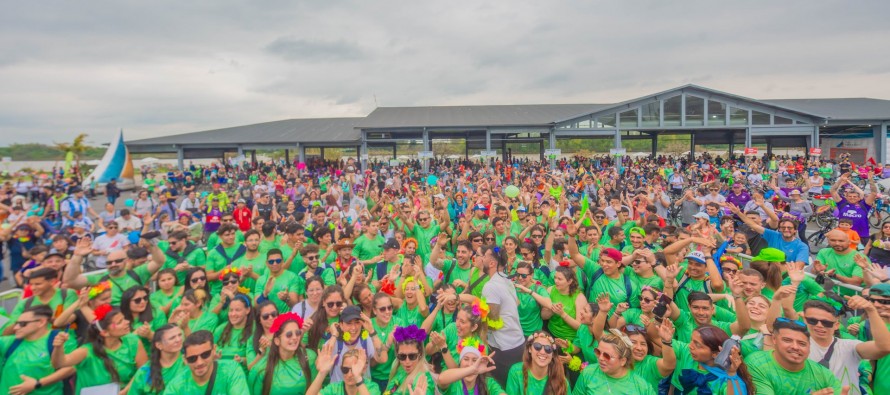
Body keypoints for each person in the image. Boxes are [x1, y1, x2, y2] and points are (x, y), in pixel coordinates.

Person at [51, 304, 148, 394]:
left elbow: (144, 369)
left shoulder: (132, 341)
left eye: (124, 319)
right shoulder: (87, 351)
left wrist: (125, 391)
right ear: (105, 333)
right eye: (120, 322)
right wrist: (58, 347)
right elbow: (59, 363)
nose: (127, 322)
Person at [746, 318, 843, 394]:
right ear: (774, 339)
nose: (795, 347)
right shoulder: (757, 363)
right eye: (787, 340)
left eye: (802, 343)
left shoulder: (823, 374)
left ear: (809, 346)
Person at [0, 305, 76, 395]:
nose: (15, 328)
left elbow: (71, 368)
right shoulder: (10, 341)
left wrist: (38, 383)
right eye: (16, 323)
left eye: (22, 324)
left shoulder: (59, 339)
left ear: (41, 322)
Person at [478, 245, 524, 385]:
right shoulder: (506, 279)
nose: (482, 259)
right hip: (517, 341)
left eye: (484, 256)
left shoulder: (490, 286)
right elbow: (516, 303)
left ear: (492, 263)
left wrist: (477, 314)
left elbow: (493, 320)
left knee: (501, 387)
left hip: (504, 348)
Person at [247, 312, 317, 395]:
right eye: (289, 334)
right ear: (277, 341)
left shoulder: (310, 357)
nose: (295, 337)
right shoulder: (261, 369)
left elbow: (316, 390)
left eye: (297, 333)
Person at [162, 330, 248, 394]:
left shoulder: (231, 369)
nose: (199, 362)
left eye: (205, 355)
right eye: (192, 358)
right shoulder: (176, 386)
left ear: (214, 350)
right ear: (185, 359)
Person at [573, 331, 656, 394]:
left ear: (623, 361)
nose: (600, 358)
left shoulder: (641, 387)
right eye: (598, 352)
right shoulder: (588, 373)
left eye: (607, 356)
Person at [127, 324, 187, 395]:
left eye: (180, 335)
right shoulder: (145, 371)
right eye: (172, 338)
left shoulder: (189, 361)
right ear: (159, 345)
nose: (178, 340)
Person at [505, 331, 570, 394]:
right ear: (530, 349)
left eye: (548, 349)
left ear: (552, 354)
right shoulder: (516, 372)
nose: (542, 352)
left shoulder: (562, 381)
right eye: (537, 346)